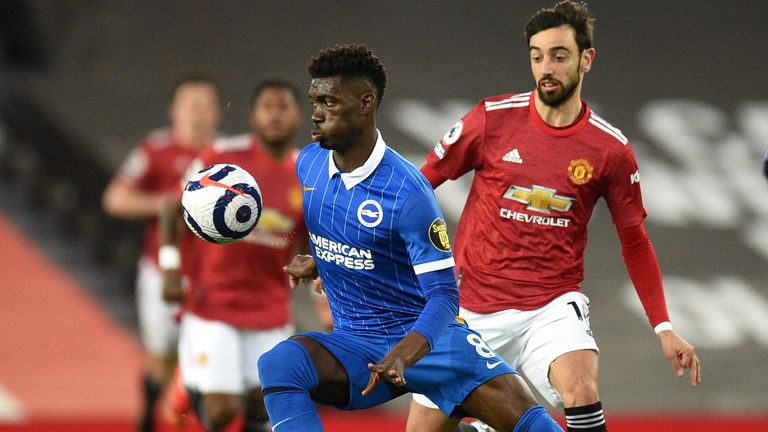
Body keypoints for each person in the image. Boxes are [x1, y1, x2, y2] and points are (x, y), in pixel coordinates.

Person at [406, 2, 702, 432]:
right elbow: (416, 187)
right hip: (468, 308)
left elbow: (635, 240)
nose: (546, 67)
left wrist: (663, 327)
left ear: (586, 59)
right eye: (537, 55)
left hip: (549, 307)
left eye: (559, 56)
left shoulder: (609, 150)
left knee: (580, 385)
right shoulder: (491, 119)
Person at [256, 43, 563, 432]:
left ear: (365, 103)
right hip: (357, 343)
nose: (315, 114)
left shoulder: (408, 193)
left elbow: (445, 296)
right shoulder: (310, 162)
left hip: (430, 343)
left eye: (329, 102)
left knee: (535, 426)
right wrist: (318, 259)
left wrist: (404, 354)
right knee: (279, 363)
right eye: (315, 100)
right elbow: (353, 235)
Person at [159, 79, 307, 432]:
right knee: (223, 411)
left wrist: (319, 289)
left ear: (298, 116)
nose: (275, 116)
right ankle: (188, 380)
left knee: (264, 406)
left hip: (270, 304)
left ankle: (192, 374)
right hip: (213, 302)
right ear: (253, 116)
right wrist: (169, 268)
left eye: (282, 107)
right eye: (267, 108)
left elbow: (312, 238)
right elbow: (170, 207)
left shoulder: (308, 172)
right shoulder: (221, 157)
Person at [102, 74, 221, 432]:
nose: (198, 113)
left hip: (211, 277)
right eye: (190, 104)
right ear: (174, 110)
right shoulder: (155, 150)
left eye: (205, 104)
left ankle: (182, 421)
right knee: (161, 361)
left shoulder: (227, 157)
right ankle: (150, 408)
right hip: (161, 270)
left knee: (203, 363)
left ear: (217, 112)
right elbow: (115, 199)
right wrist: (168, 204)